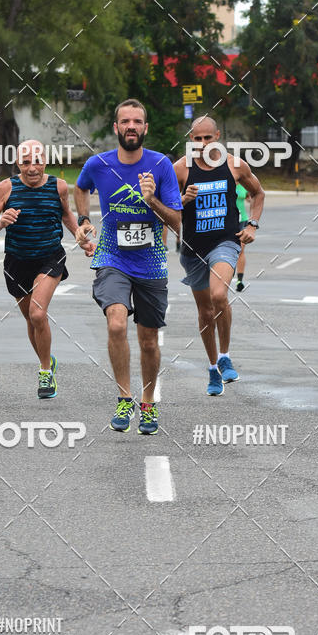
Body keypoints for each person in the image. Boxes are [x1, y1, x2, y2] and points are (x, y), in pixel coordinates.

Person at [74, 99, 182, 435]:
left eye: (137, 121)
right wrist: (83, 219)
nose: (131, 126)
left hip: (151, 262)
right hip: (112, 256)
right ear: (116, 127)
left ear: (145, 128)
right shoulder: (98, 164)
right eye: (125, 121)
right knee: (117, 324)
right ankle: (124, 398)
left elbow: (177, 222)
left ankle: (147, 403)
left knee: (148, 341)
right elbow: (81, 187)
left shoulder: (161, 165)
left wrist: (151, 200)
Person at [0, 140, 93, 398]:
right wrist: (0, 223)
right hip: (17, 261)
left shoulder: (58, 186)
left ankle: (45, 372)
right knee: (31, 319)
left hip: (49, 257)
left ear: (46, 161)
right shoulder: (5, 188)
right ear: (17, 163)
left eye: (37, 161)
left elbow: (66, 214)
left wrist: (82, 238)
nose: (32, 168)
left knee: (38, 314)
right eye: (25, 162)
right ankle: (47, 359)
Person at [173, 115, 265, 396]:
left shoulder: (234, 165)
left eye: (208, 138)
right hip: (193, 249)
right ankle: (213, 367)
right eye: (197, 139)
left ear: (217, 136)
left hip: (225, 242)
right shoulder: (180, 169)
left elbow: (258, 193)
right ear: (191, 139)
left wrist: (252, 224)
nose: (203, 143)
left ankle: (225, 355)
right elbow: (164, 209)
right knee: (204, 311)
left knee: (218, 295)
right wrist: (182, 200)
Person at [235, 182, 249, 291]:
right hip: (228, 221)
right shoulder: (226, 181)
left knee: (241, 249)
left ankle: (239, 280)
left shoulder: (244, 183)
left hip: (242, 220)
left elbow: (252, 197)